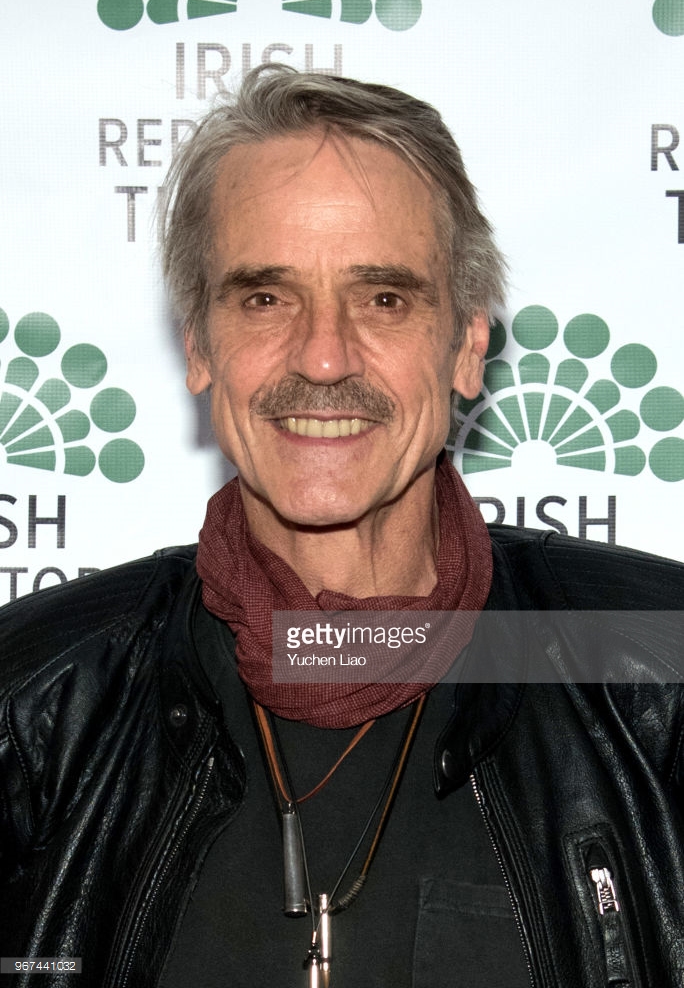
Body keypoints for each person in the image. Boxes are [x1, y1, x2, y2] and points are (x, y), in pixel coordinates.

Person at [1, 65, 683, 988]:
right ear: (199, 347)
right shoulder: (35, 704)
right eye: (265, 297)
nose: (324, 357)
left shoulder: (656, 678)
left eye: (384, 298)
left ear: (467, 346)